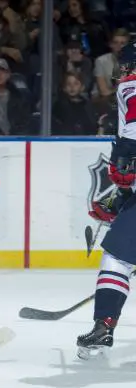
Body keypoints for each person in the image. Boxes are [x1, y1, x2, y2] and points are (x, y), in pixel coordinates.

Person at [76, 41, 136, 360]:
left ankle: (105, 325)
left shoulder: (131, 87)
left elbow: (133, 135)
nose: (123, 73)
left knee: (117, 257)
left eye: (126, 66)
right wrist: (122, 196)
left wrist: (126, 160)